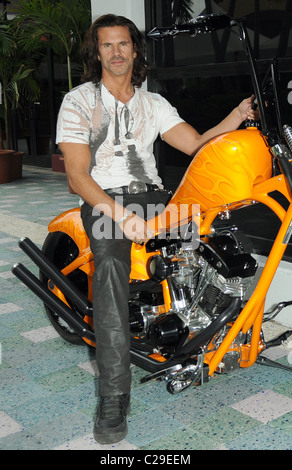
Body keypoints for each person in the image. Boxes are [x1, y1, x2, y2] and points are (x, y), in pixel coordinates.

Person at [56, 13, 258, 445]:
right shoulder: (78, 101)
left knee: (203, 246)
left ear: (135, 50)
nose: (116, 52)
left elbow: (198, 145)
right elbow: (77, 175)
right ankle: (113, 396)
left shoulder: (154, 104)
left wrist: (237, 115)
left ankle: (196, 334)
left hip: (154, 197)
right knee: (110, 267)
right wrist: (121, 216)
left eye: (123, 44)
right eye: (106, 45)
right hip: (104, 199)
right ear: (97, 52)